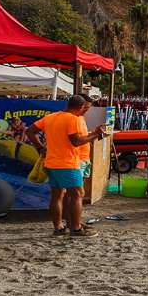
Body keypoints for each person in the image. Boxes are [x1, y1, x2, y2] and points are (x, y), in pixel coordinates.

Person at [31, 94, 106, 237]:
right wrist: (96, 134)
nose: (85, 111)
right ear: (80, 107)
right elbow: (76, 141)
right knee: (78, 194)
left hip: (51, 162)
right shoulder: (73, 119)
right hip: (67, 163)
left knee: (57, 195)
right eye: (85, 108)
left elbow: (30, 131)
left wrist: (40, 148)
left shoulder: (51, 117)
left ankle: (58, 228)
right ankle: (76, 229)